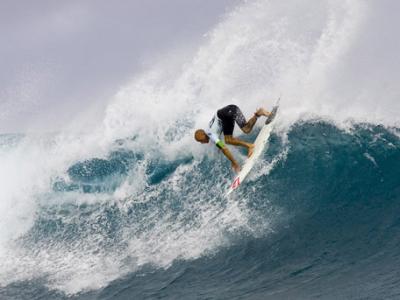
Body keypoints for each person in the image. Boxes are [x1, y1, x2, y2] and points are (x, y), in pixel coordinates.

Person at [194, 104, 271, 173]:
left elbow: (224, 148)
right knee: (246, 129)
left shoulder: (211, 134)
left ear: (203, 137)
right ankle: (258, 113)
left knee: (228, 140)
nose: (202, 143)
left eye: (201, 141)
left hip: (225, 115)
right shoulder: (208, 128)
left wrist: (234, 163)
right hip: (232, 108)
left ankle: (250, 146)